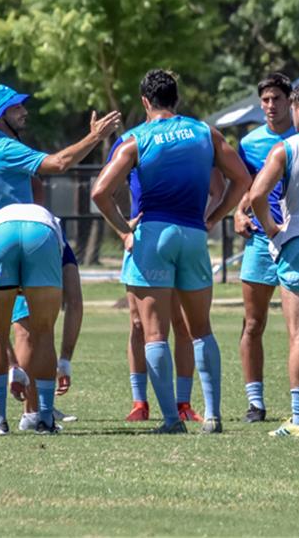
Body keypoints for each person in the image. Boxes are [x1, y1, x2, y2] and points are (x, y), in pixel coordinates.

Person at [93, 70, 250, 434]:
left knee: (154, 334)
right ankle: (212, 415)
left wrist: (123, 230)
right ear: (176, 100)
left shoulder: (136, 139)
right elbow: (241, 179)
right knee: (201, 330)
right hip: (193, 234)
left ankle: (169, 420)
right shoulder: (203, 132)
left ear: (146, 102)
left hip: (153, 235)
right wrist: (213, 218)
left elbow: (100, 192)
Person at [0, 84, 120, 434]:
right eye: (17, 107)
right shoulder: (7, 147)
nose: (24, 112)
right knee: (44, 330)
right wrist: (94, 136)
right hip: (37, 229)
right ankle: (44, 418)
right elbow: (60, 163)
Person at [243, 76, 299, 438]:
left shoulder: (286, 147)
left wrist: (271, 230)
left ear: (298, 108)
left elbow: (256, 195)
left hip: (297, 241)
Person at [108, 134, 204, 424]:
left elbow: (213, 183)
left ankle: (183, 403)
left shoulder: (187, 139)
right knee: (139, 325)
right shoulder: (132, 140)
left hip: (180, 237)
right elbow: (104, 189)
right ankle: (140, 402)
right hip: (145, 240)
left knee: (183, 324)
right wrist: (124, 230)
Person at [232, 73, 296, 423]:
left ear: (291, 101)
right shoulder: (251, 142)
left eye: (277, 99)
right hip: (260, 240)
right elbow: (244, 186)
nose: (271, 106)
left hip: (297, 240)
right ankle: (255, 403)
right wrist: (239, 213)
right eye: (266, 100)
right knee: (253, 323)